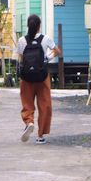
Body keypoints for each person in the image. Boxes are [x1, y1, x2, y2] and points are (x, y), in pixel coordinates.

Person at [15, 14, 60, 144]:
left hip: (27, 78)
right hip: (42, 77)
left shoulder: (22, 40)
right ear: (39, 25)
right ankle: (40, 135)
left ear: (28, 25)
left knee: (27, 103)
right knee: (45, 105)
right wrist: (47, 58)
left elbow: (20, 59)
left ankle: (29, 122)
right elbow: (57, 51)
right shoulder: (46, 39)